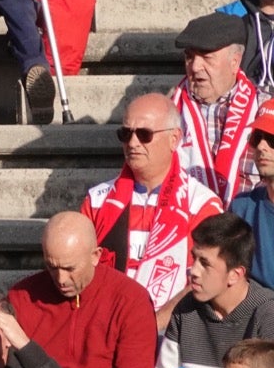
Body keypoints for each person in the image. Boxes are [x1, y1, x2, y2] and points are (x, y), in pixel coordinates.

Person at [80, 92, 224, 318]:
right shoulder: (96, 200)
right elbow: (77, 268)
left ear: (174, 139)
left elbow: (208, 279)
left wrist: (153, 325)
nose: (132, 143)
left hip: (173, 330)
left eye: (144, 134)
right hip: (104, 322)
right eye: (125, 134)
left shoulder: (202, 204)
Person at [7, 212, 156, 368]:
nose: (61, 279)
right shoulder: (23, 296)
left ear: (95, 256)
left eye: (70, 268)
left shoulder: (131, 301)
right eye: (51, 267)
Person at [158, 213, 274, 368]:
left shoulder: (267, 315)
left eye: (205, 263)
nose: (193, 271)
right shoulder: (185, 310)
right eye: (194, 258)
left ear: (235, 274)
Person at [171, 13, 267, 202]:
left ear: (235, 62)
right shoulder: (165, 111)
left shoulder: (264, 110)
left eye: (207, 57)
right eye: (189, 57)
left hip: (249, 226)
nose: (196, 66)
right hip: (184, 224)